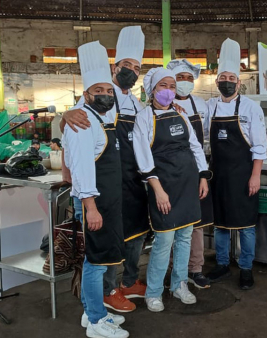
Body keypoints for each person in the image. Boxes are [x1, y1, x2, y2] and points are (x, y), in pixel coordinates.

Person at [61, 26, 148, 313]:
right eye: (127, 66)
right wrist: (65, 114)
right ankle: (108, 292)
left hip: (129, 180)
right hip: (102, 182)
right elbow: (74, 127)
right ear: (116, 66)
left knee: (135, 233)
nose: (132, 72)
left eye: (137, 68)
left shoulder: (135, 103)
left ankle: (129, 281)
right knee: (108, 241)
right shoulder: (96, 97)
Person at [63, 41, 128, 338]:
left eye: (107, 90)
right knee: (95, 261)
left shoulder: (102, 116)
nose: (104, 95)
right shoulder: (80, 119)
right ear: (86, 93)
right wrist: (90, 207)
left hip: (107, 200)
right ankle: (96, 319)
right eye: (97, 91)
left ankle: (91, 314)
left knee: (101, 260)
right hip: (94, 202)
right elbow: (82, 169)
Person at [133, 67, 210, 312]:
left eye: (172, 86)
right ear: (151, 90)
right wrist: (158, 190)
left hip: (187, 182)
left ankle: (179, 284)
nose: (168, 91)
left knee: (185, 237)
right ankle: (153, 292)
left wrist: (203, 176)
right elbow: (143, 158)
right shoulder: (144, 118)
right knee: (164, 239)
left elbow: (195, 146)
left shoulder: (181, 114)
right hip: (163, 185)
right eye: (162, 86)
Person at [204, 38, 267, 290]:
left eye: (232, 77)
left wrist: (256, 176)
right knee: (220, 225)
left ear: (239, 82)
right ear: (217, 81)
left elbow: (259, 146)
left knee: (246, 227)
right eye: (223, 77)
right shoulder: (209, 106)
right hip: (218, 175)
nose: (227, 81)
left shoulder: (251, 108)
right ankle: (221, 264)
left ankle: (246, 268)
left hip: (243, 175)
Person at [167, 59, 211, 289]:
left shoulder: (202, 105)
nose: (184, 82)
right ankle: (173, 268)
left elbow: (204, 138)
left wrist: (203, 170)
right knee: (172, 222)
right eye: (180, 78)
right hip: (169, 171)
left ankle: (195, 268)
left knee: (196, 222)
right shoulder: (162, 104)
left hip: (196, 169)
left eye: (189, 78)